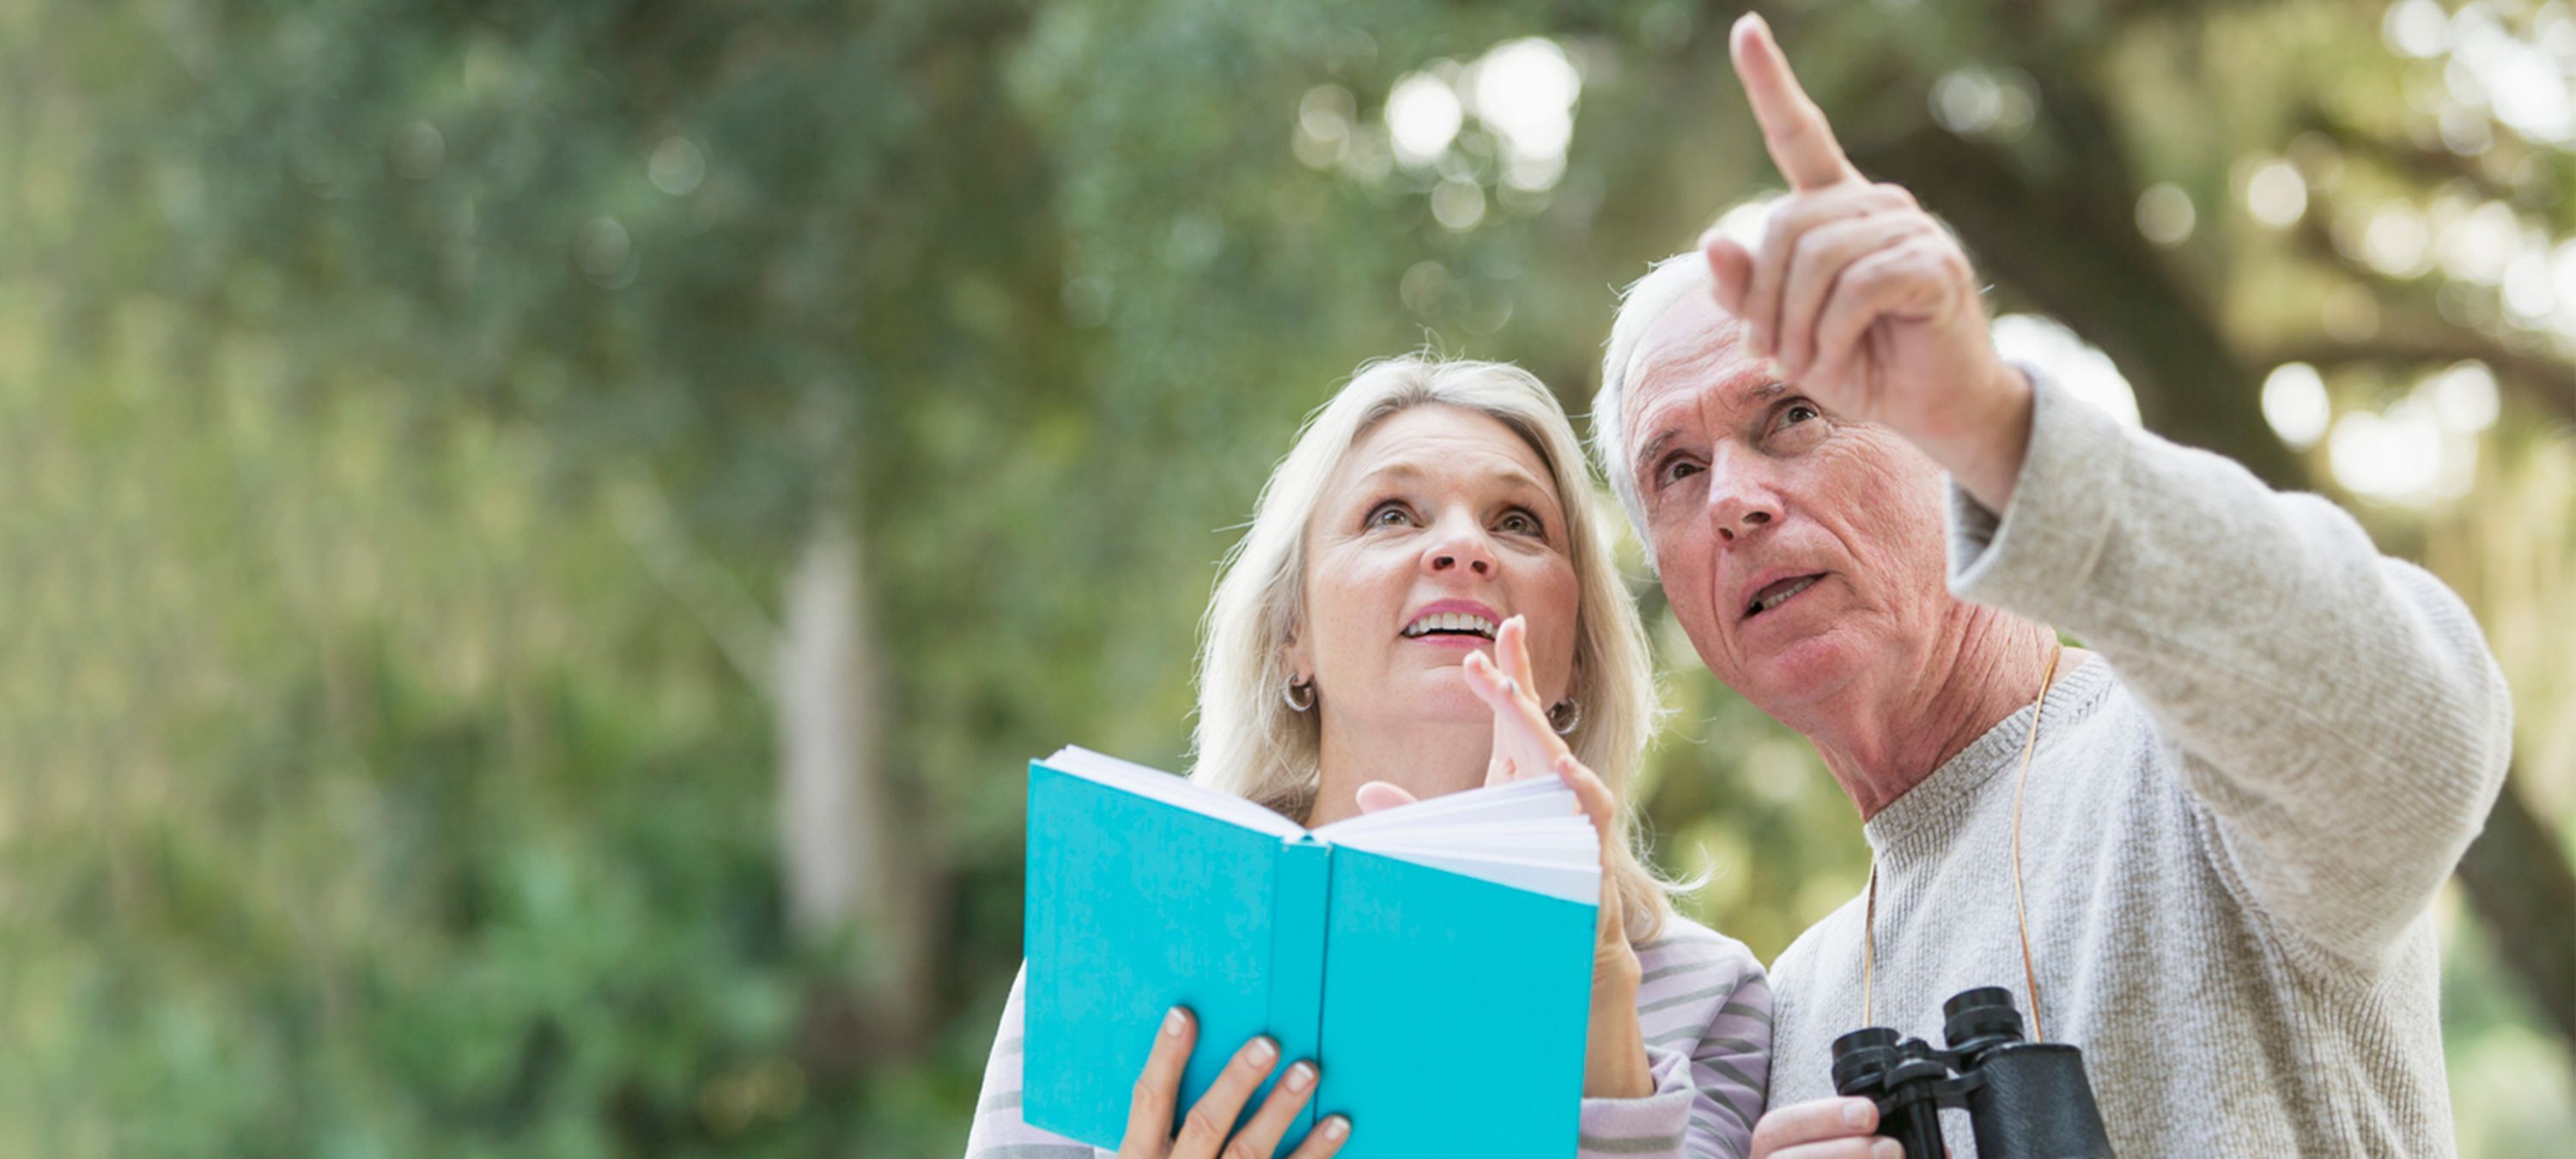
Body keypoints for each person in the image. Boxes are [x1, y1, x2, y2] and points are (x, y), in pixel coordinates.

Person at [1588, 15, 2512, 1157]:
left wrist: (1999, 422)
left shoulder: (2192, 765)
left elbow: (2416, 733)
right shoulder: (1789, 1007)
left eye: (1793, 413)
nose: (1734, 496)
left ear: (1938, 440)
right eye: (1676, 469)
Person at [964, 356, 1773, 1159]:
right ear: (1293, 636)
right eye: (1392, 514)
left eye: (1517, 522)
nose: (1463, 547)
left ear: (1580, 656)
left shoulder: (1709, 998)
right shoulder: (1106, 963)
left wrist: (1596, 984)